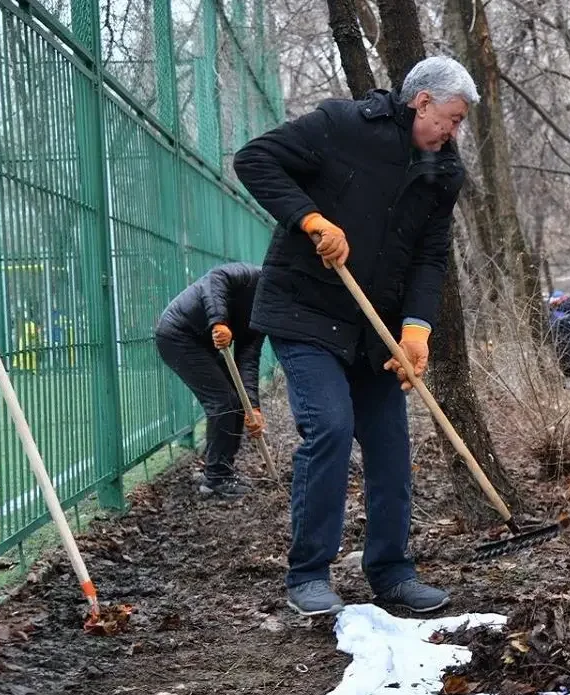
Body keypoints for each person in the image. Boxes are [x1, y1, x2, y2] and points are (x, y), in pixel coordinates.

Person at [233, 56, 478, 616]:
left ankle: (391, 572)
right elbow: (255, 158)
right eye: (451, 118)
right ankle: (309, 574)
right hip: (306, 313)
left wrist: (417, 330)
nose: (454, 131)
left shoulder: (444, 172)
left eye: (460, 122)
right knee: (332, 429)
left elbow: (431, 254)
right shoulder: (343, 125)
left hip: (375, 328)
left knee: (391, 445)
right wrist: (310, 220)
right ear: (421, 101)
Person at [155, 263, 265, 498]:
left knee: (236, 402)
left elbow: (248, 357)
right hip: (178, 335)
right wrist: (219, 321)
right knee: (223, 402)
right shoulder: (250, 276)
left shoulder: (265, 312)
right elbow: (214, 278)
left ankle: (220, 469)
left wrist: (252, 407)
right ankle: (216, 478)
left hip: (202, 344)